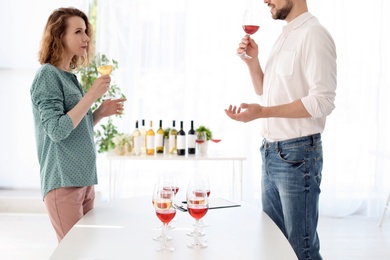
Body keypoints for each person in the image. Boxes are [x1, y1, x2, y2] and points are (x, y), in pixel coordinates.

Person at [225, 0, 336, 259]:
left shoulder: (314, 35)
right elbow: (266, 91)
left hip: (298, 155)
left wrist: (262, 112)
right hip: (271, 152)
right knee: (275, 246)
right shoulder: (286, 36)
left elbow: (322, 102)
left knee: (301, 249)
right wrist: (252, 62)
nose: (265, 0)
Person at [30, 7, 126, 242]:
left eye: (86, 32)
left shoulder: (68, 76)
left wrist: (99, 113)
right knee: (74, 253)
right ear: (59, 36)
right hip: (63, 182)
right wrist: (92, 95)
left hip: (84, 180)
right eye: (78, 32)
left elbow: (73, 129)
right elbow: (56, 131)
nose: (86, 38)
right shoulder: (47, 75)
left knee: (87, 251)